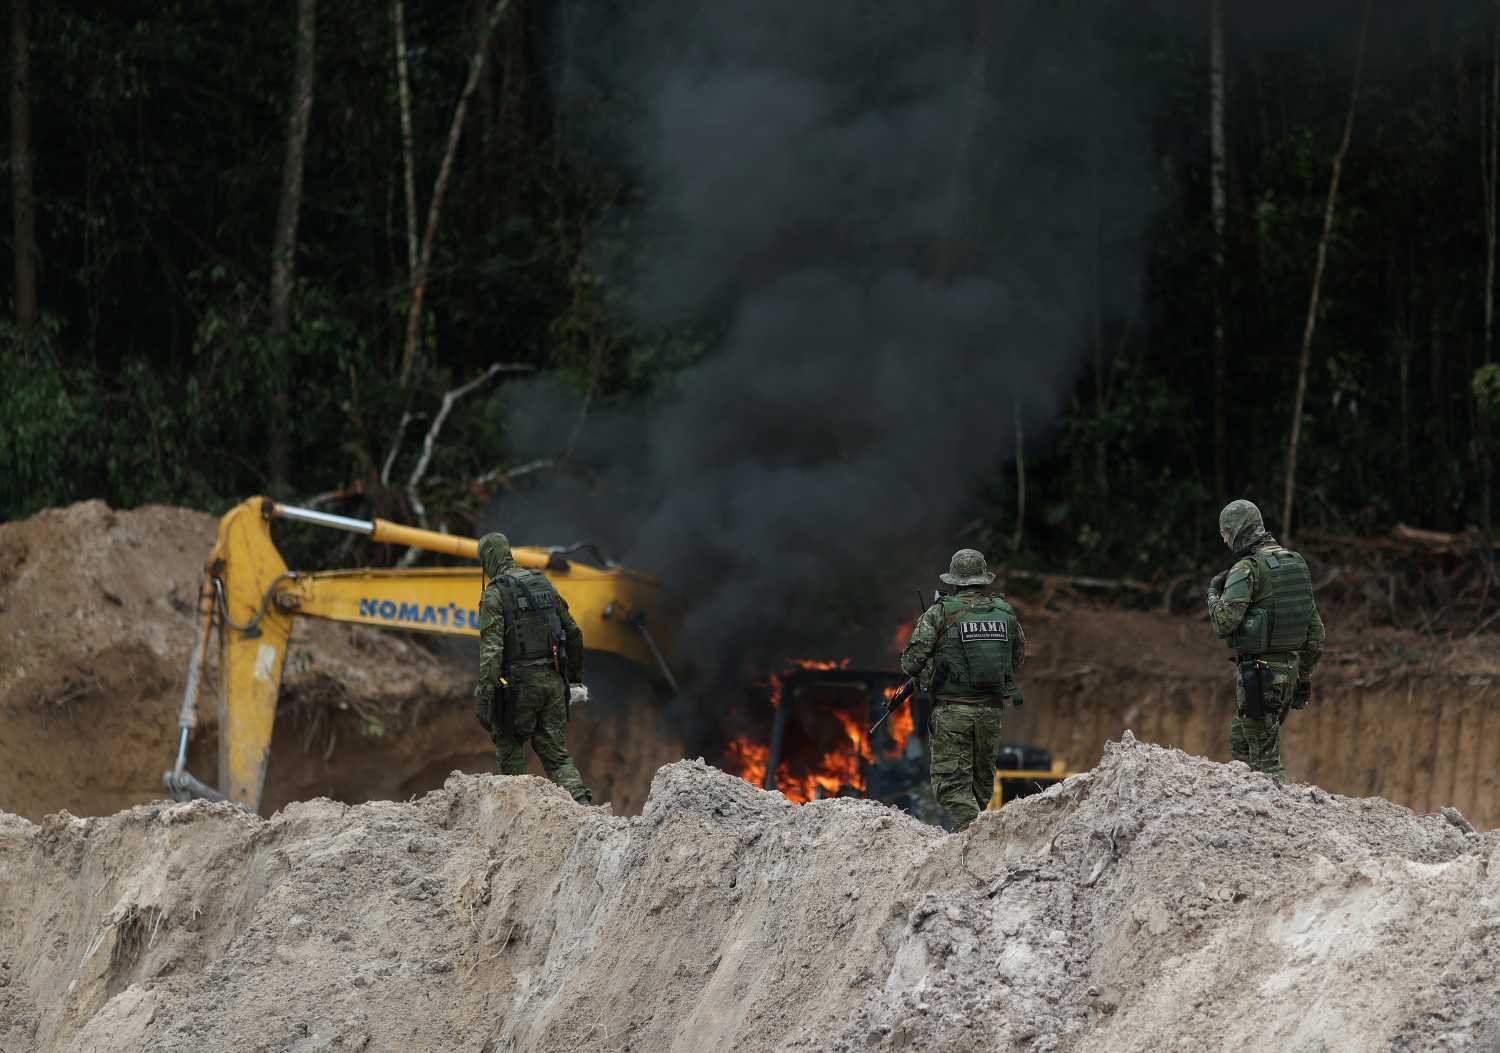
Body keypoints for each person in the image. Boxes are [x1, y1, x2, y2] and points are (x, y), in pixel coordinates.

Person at [900, 548, 1025, 832]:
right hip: (991, 711)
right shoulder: (1005, 613)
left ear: (954, 581)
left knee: (951, 786)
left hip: (953, 711)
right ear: (983, 580)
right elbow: (1015, 658)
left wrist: (934, 667)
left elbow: (911, 662)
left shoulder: (939, 614)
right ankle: (971, 839)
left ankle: (973, 837)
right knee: (980, 787)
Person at [1206, 499, 1325, 779]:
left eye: (1225, 533)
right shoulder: (1295, 564)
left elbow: (1225, 622)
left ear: (1238, 531)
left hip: (1260, 677)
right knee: (1241, 741)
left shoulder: (1247, 569)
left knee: (1266, 764)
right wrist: (1303, 677)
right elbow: (1316, 632)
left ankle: (1282, 817)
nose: (1224, 540)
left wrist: (1212, 595)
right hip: (1288, 674)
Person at [472, 531, 593, 803]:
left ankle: (522, 813)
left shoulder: (495, 594)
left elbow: (492, 651)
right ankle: (584, 807)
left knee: (509, 747)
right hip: (553, 684)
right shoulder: (543, 583)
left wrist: (485, 693)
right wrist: (574, 682)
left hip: (518, 689)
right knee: (557, 756)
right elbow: (573, 632)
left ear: (487, 559)